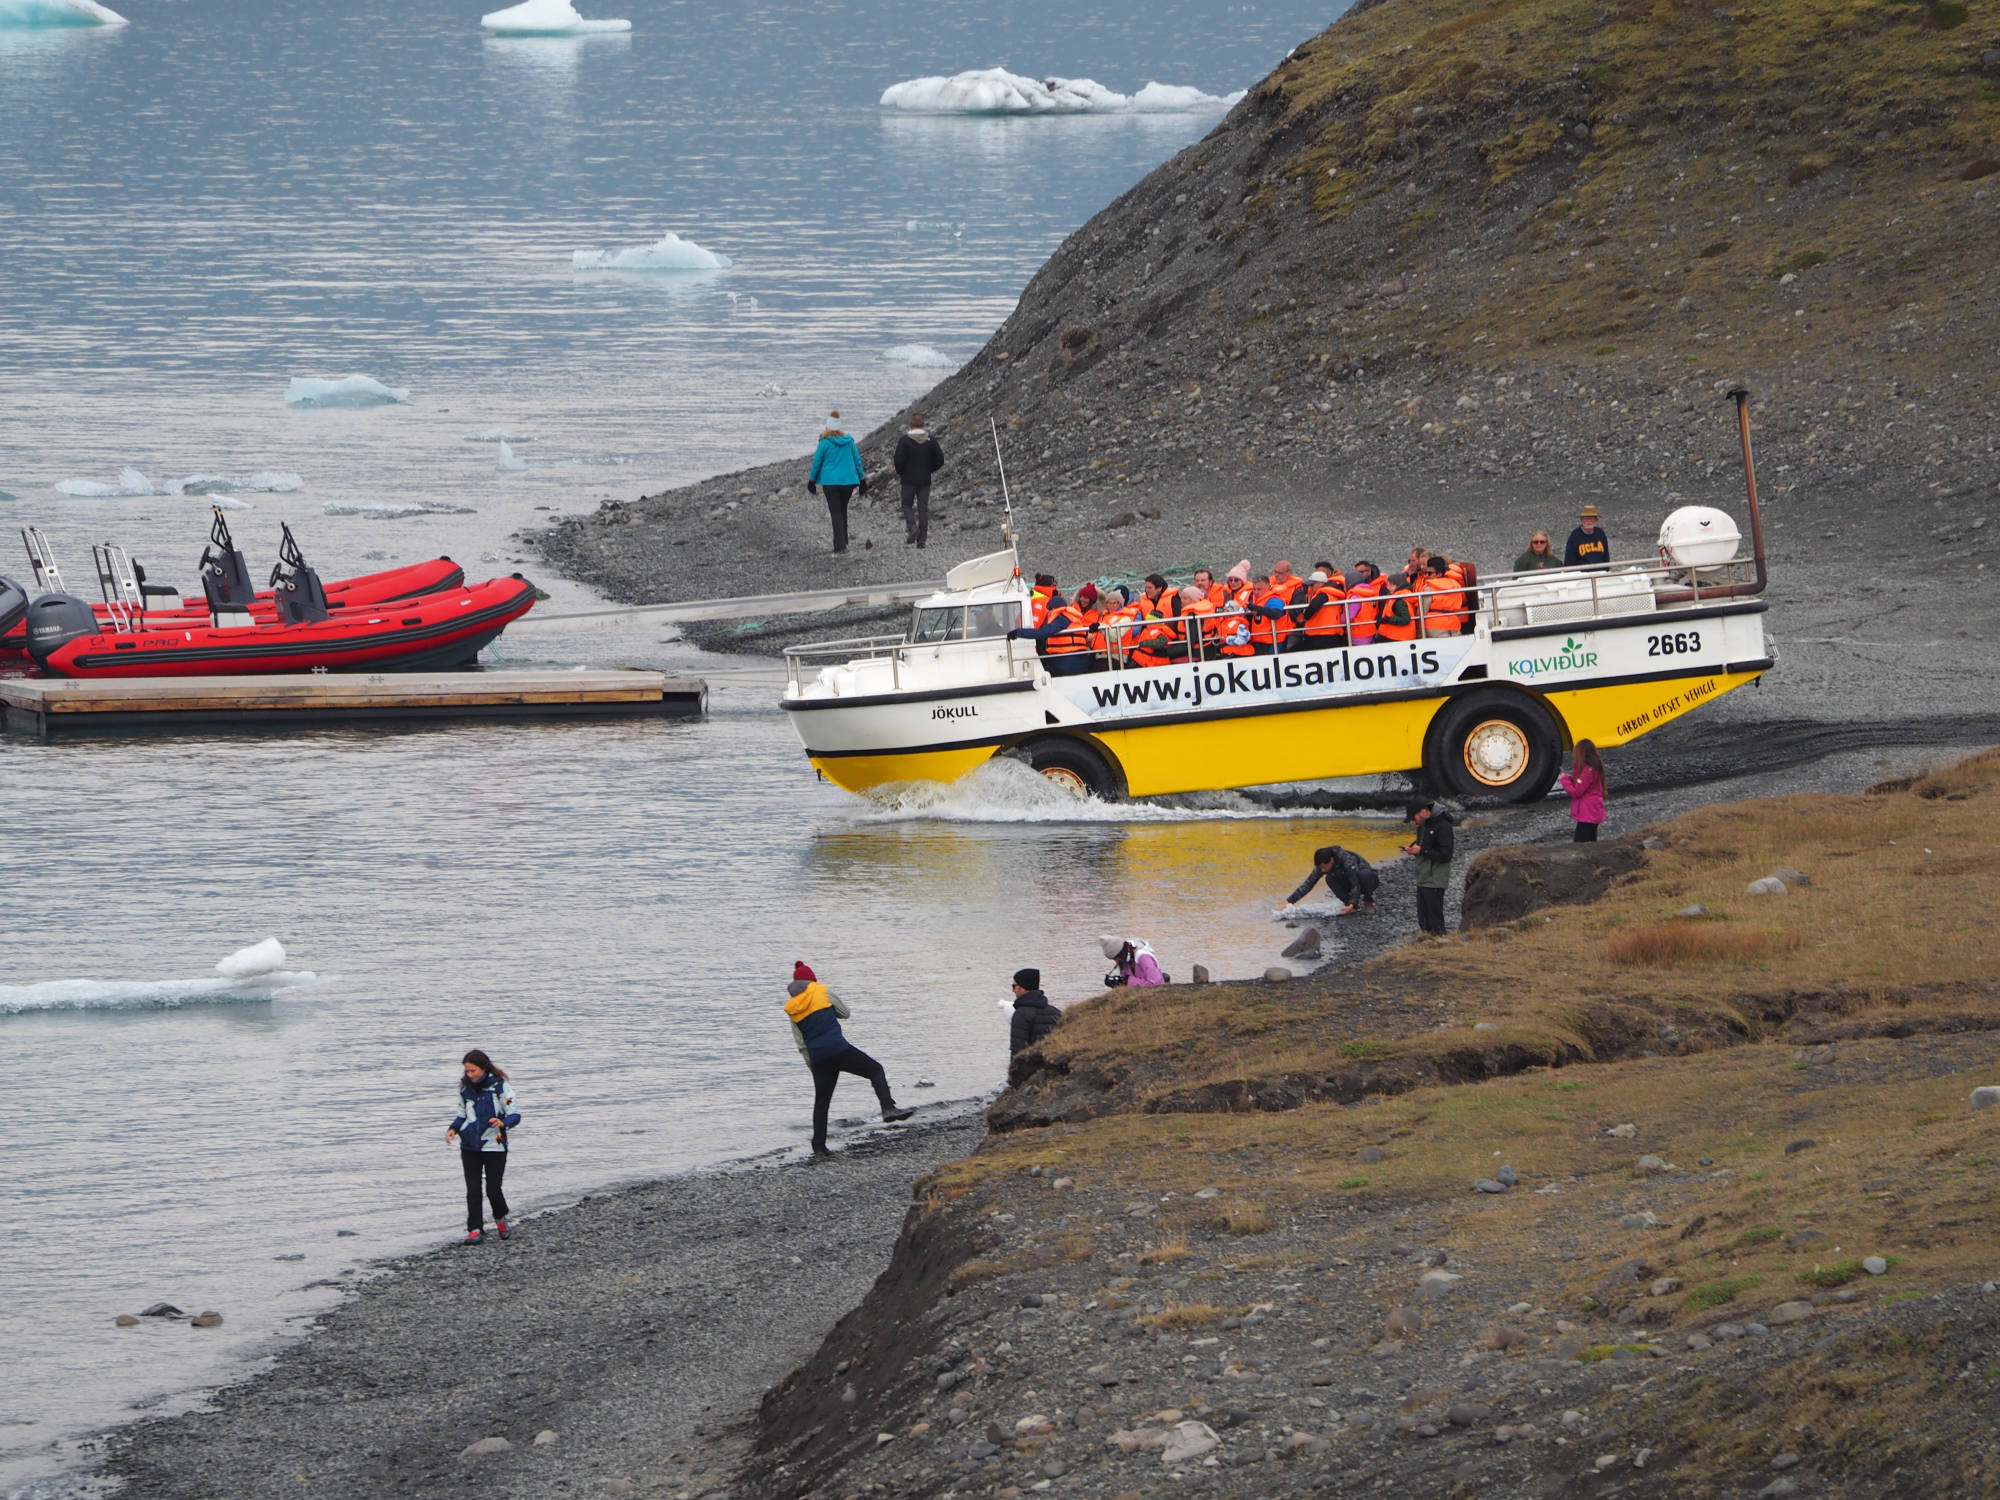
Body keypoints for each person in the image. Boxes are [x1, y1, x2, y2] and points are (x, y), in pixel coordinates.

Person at [784, 961, 914, 1157]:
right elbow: (845, 1013)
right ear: (812, 979)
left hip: (818, 1059)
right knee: (875, 1070)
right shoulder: (822, 992)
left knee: (822, 1102)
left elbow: (801, 1042)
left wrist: (811, 1064)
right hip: (839, 1050)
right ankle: (888, 1108)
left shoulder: (792, 1007)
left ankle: (819, 1147)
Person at [446, 1049, 519, 1245]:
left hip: (495, 1146)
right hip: (469, 1146)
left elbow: (514, 1114)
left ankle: (501, 1218)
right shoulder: (465, 1090)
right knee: (473, 1190)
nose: (470, 1075)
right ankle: (475, 1229)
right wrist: (453, 1129)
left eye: (473, 1071)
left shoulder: (501, 1087)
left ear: (483, 1068)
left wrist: (503, 1123)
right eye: (467, 1071)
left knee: (493, 1190)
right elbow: (462, 1115)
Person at [806, 412, 868, 554]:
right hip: (848, 482)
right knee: (842, 510)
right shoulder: (849, 441)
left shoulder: (824, 442)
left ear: (827, 427)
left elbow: (817, 462)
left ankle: (840, 546)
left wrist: (812, 480)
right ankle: (843, 541)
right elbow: (857, 460)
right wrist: (862, 479)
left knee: (835, 512)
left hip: (830, 482)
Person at [1011, 582, 1100, 674]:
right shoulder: (1074, 616)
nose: (1048, 612)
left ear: (1054, 608)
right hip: (1081, 660)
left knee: (1044, 666)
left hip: (1067, 662)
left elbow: (1043, 632)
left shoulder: (1061, 617)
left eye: (1049, 609)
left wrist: (1018, 632)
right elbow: (1086, 637)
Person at [891, 412, 945, 548]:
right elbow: (940, 459)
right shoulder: (930, 440)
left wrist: (901, 471)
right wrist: (930, 469)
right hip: (924, 480)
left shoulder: (904, 440)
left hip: (908, 480)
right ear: (923, 425)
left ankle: (912, 527)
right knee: (923, 509)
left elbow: (898, 460)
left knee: (906, 505)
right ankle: (922, 540)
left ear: (910, 425)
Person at [1404, 799, 1456, 937]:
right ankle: (1427, 942)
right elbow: (1425, 844)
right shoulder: (1423, 825)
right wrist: (1412, 848)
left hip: (1435, 878)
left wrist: (1421, 851)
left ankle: (1440, 943)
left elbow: (1446, 854)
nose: (1414, 823)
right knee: (1423, 918)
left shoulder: (1444, 826)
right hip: (1423, 877)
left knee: (1435, 919)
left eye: (1414, 819)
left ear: (1423, 812)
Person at [1278, 845, 1378, 915]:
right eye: (1321, 868)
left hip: (1367, 881)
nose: (1322, 870)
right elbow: (1308, 884)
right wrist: (1289, 901)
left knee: (1365, 874)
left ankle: (1368, 902)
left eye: (1324, 867)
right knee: (1329, 879)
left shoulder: (1346, 860)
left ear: (1331, 860)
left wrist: (1353, 902)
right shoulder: (1322, 864)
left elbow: (1355, 883)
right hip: (1346, 881)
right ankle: (1349, 905)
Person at [1559, 739, 1607, 841]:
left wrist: (1564, 780)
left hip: (1588, 813)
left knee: (1580, 842)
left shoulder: (1587, 771)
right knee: (1591, 840)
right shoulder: (1594, 767)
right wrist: (1572, 779)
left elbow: (1576, 792)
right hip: (1593, 811)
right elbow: (1582, 784)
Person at [1009, 968, 1062, 1055]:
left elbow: (1017, 1051)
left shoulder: (1021, 1015)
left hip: (1030, 1066)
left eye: (1014, 986)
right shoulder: (1056, 1013)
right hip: (1052, 1064)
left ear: (1023, 988)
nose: (1013, 990)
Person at [1419, 554, 1469, 636]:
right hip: (1454, 625)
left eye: (1429, 573)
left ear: (1439, 574)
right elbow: (1459, 609)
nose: (1426, 576)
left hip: (1434, 626)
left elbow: (1423, 611)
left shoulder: (1429, 588)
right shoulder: (1455, 585)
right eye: (1426, 573)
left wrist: (1420, 630)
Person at [1099, 935, 1164, 987]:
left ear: (1121, 952)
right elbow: (1127, 980)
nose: (1116, 961)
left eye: (1116, 958)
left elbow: (1157, 984)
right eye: (1114, 959)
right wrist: (1118, 984)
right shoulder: (1125, 960)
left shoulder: (1144, 958)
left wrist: (1127, 981)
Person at [1565, 504, 1610, 569]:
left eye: (1591, 519)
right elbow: (1569, 559)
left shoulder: (1600, 533)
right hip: (1582, 575)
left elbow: (1606, 556)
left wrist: (1606, 571)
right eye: (1586, 518)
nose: (1589, 521)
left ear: (1596, 520)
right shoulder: (1575, 535)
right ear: (1581, 520)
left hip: (1600, 573)